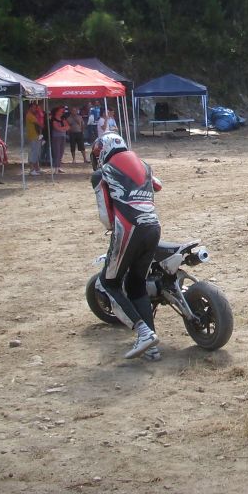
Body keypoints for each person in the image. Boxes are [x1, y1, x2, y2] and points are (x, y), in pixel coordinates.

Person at [90, 132, 163, 361]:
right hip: (153, 226)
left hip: (128, 228)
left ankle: (142, 332)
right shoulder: (143, 164)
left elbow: (105, 216)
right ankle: (151, 347)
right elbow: (158, 185)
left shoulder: (102, 173)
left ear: (104, 150)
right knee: (136, 285)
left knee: (106, 283)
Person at [25, 102, 45, 176]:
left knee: (37, 153)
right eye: (34, 107)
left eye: (36, 108)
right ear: (30, 108)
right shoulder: (29, 115)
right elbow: (39, 124)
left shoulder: (34, 115)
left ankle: (37, 168)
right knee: (33, 153)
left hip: (37, 136)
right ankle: (31, 169)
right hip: (33, 136)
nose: (35, 109)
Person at [49, 106, 69, 173]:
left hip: (63, 136)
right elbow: (57, 128)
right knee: (56, 152)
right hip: (56, 137)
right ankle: (56, 168)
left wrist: (62, 128)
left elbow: (68, 126)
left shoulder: (63, 118)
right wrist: (63, 128)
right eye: (61, 111)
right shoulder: (53, 119)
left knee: (61, 152)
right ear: (57, 112)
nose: (62, 112)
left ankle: (59, 166)